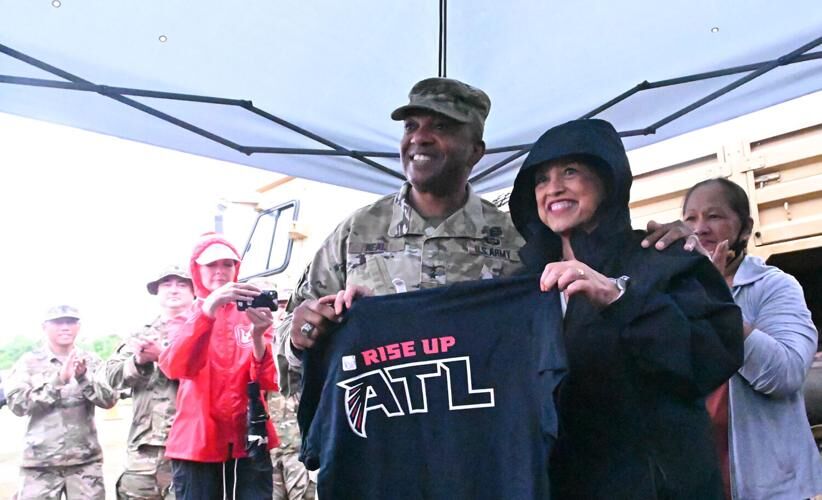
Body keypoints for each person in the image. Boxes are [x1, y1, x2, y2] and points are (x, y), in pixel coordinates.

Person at [507, 118, 744, 499]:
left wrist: (619, 298)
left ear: (608, 179)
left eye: (571, 171)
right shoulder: (522, 286)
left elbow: (710, 360)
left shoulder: (664, 258)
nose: (553, 188)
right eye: (541, 179)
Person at [274, 77, 524, 395]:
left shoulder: (513, 240)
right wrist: (299, 337)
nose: (419, 137)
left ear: (475, 151)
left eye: (441, 127)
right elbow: (291, 343)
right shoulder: (356, 232)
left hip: (478, 419)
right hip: (379, 422)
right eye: (410, 126)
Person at [682, 178, 822, 500]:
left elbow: (785, 374)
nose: (700, 228)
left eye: (714, 216)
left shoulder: (774, 286)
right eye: (690, 218)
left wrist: (718, 304)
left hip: (768, 489)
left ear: (745, 228)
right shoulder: (676, 291)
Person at [159, 233, 279, 500]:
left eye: (228, 264)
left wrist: (258, 336)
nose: (220, 271)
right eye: (211, 264)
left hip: (249, 437)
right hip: (197, 442)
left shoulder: (251, 313)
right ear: (196, 270)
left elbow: (268, 380)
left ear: (237, 268)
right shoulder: (183, 317)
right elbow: (175, 367)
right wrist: (208, 309)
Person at [102, 265, 196, 500]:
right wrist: (138, 361)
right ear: (156, 291)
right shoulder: (141, 334)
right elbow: (110, 377)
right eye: (166, 284)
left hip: (194, 448)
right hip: (145, 452)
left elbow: (217, 379)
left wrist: (163, 357)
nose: (174, 290)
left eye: (182, 284)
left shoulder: (206, 330)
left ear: (194, 290)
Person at [5, 304, 118, 500]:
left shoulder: (91, 361)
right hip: (40, 465)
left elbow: (109, 400)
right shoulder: (28, 363)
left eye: (70, 322)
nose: (65, 327)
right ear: (44, 327)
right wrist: (58, 381)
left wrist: (83, 378)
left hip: (85, 463)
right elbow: (18, 405)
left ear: (79, 326)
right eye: (58, 323)